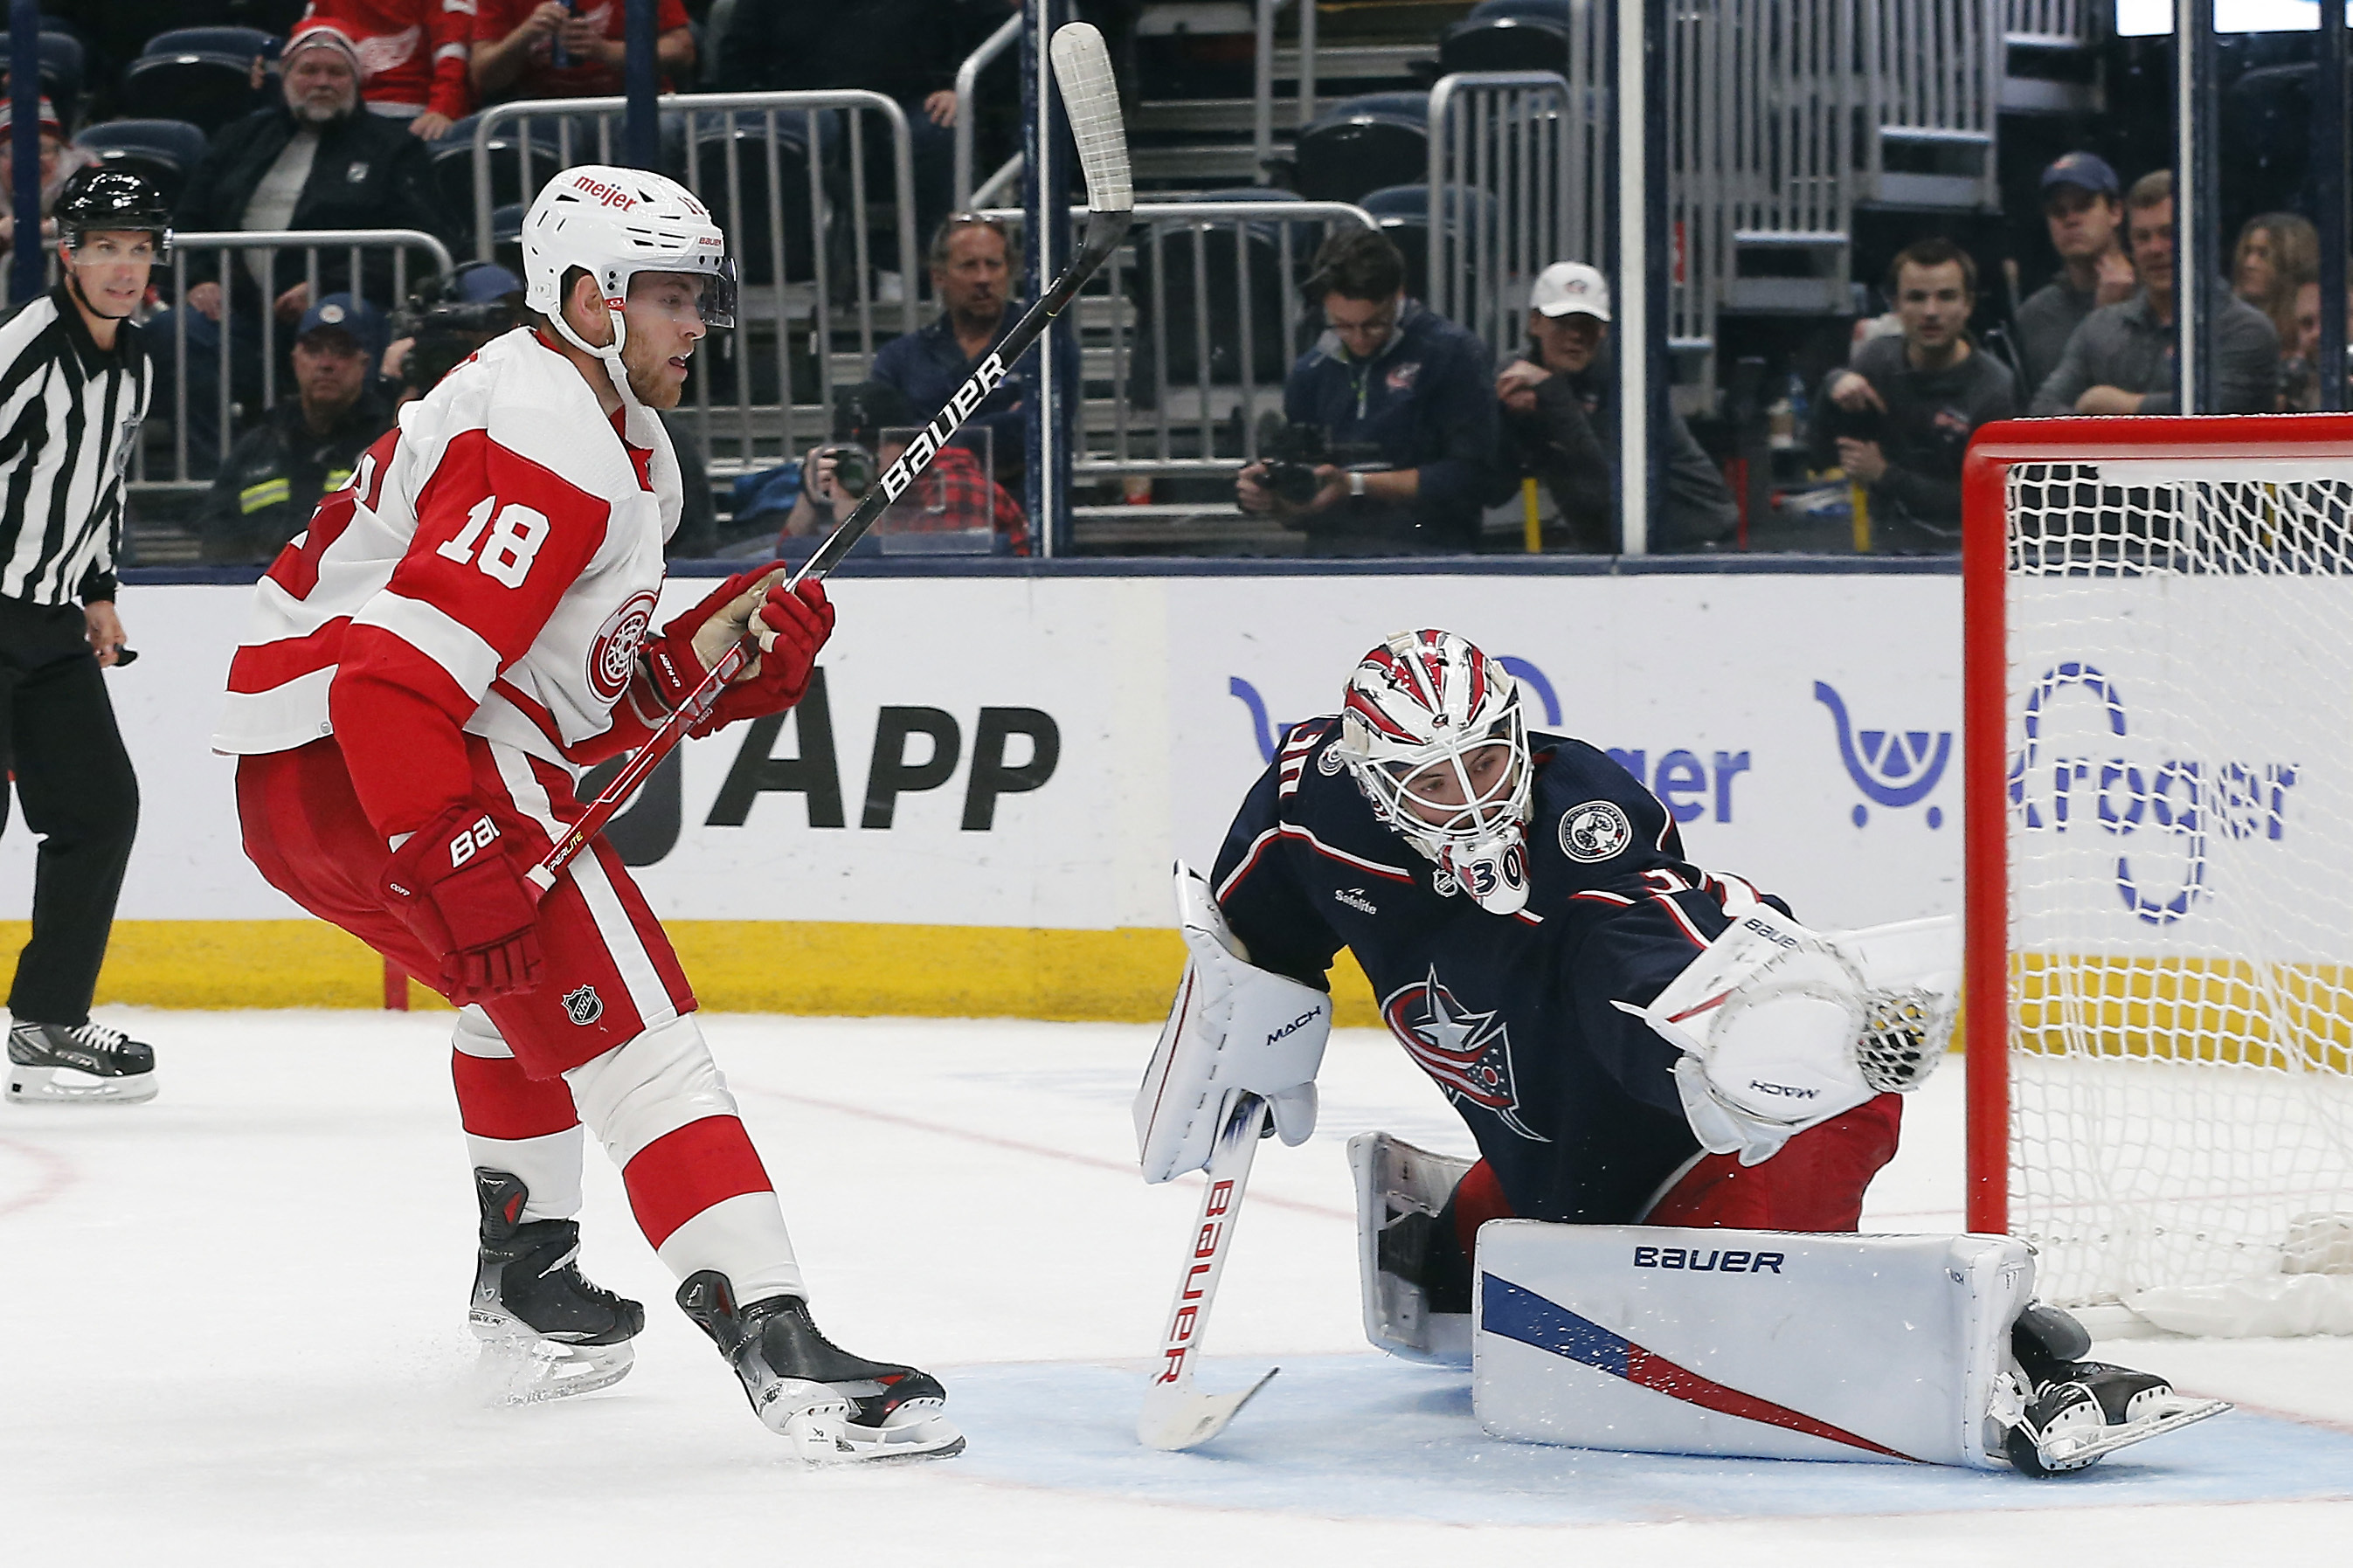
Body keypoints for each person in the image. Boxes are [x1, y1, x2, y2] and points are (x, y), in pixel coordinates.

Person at [211, 165, 963, 1461]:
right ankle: (779, 1344)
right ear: (587, 299)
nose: (697, 323)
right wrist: (457, 850)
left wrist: (707, 664)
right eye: (669, 295)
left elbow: (572, 701)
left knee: (512, 992)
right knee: (639, 1031)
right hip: (383, 752)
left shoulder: (600, 430)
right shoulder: (550, 438)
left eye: (698, 296)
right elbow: (401, 684)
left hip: (305, 785)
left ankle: (529, 1281)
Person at [1136, 626, 2211, 1472]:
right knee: (1485, 1259)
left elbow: (1646, 946)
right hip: (1566, 1155)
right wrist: (1239, 1033)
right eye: (1430, 781)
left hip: (1749, 1124)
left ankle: (2010, 1370)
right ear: (1369, 779)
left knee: (1758, 1332)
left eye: (1485, 762)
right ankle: (1481, 1218)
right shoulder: (1307, 799)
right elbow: (1249, 933)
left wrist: (1743, 1050)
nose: (1473, 802)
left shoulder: (1577, 824)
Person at [0, 169, 167, 1107]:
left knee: (99, 809)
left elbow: (99, 488)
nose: (122, 265)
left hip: (53, 622)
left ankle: (49, 1018)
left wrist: (98, 590)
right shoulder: (25, 346)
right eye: (104, 245)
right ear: (68, 252)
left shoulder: (135, 362)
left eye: (138, 246)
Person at [161, 23, 453, 470]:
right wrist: (199, 278)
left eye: (336, 73)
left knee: (334, 318)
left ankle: (352, 477)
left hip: (347, 305)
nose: (321, 83)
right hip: (241, 313)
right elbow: (189, 220)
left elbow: (420, 244)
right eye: (308, 71)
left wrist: (322, 284)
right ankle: (213, 483)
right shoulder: (240, 139)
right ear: (285, 79)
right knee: (178, 329)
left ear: (356, 82)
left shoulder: (393, 147)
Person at [1235, 228, 1500, 556]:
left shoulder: (1452, 354)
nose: (1359, 338)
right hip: (1333, 557)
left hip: (1430, 550)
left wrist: (1356, 485)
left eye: (1375, 323)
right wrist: (1275, 499)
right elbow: (1304, 509)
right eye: (1342, 325)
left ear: (1398, 295)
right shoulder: (1311, 371)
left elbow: (1473, 476)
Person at [714, 0, 1000, 255]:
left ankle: (942, 269)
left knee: (939, 131)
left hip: (905, 107)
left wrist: (958, 88)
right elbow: (736, 63)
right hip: (800, 113)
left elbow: (989, 32)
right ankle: (781, 272)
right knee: (771, 133)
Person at [1494, 261, 1736, 554]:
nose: (1575, 336)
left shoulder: (1627, 381)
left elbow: (1607, 490)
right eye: (1563, 323)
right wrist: (1511, 419)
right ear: (1535, 323)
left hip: (1691, 539)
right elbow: (1496, 489)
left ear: (1604, 331)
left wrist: (1553, 395)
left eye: (1587, 325)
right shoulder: (1513, 376)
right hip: (1610, 542)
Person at [1810, 239, 2017, 551]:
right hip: (1883, 556)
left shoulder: (1995, 390)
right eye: (1916, 298)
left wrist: (1885, 475)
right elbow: (1820, 456)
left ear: (1968, 305)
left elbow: (1988, 502)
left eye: (1946, 297)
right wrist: (1831, 389)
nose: (1931, 312)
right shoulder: (1876, 362)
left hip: (1966, 562)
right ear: (1896, 305)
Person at [2031, 170, 2280, 418]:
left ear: (2206, 235)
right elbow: (2043, 411)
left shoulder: (2246, 329)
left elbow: (2220, 412)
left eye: (2169, 234)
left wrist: (2121, 406)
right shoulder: (2099, 327)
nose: (2155, 249)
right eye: (2142, 237)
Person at [869, 212, 1073, 486]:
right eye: (968, 266)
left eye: (993, 265)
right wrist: (998, 424)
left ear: (1009, 270)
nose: (983, 278)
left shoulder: (1046, 345)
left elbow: (1036, 433)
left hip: (1026, 511)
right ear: (938, 276)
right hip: (927, 515)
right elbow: (887, 446)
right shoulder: (898, 359)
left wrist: (925, 436)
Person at [197, 293, 397, 564]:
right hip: (254, 593)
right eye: (314, 350)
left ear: (364, 364)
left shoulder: (387, 446)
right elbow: (217, 538)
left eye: (342, 352)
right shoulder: (259, 444)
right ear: (295, 360)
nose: (326, 364)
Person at [780, 380, 1026, 554]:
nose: (865, 457)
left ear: (910, 442)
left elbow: (931, 576)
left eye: (873, 444)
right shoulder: (860, 489)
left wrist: (856, 522)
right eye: (852, 447)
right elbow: (790, 564)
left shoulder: (955, 482)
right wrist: (810, 497)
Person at [2011, 152, 2134, 402]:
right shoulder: (2035, 315)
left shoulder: (2156, 295)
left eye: (2084, 205)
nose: (2071, 219)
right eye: (2058, 211)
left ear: (2116, 212)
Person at [295, 0, 475, 136]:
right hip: (341, 113)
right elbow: (303, 55)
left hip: (412, 115)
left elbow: (453, 53)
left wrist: (443, 109)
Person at [471, 0, 696, 103]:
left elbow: (682, 49)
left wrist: (606, 52)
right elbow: (483, 75)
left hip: (633, 100)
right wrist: (525, 35)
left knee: (663, 129)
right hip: (543, 107)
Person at [0, 97, 98, 256]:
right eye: (14, 151)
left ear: (60, 152)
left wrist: (48, 229)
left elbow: (108, 220)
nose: (28, 162)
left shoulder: (89, 178)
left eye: (42, 150)